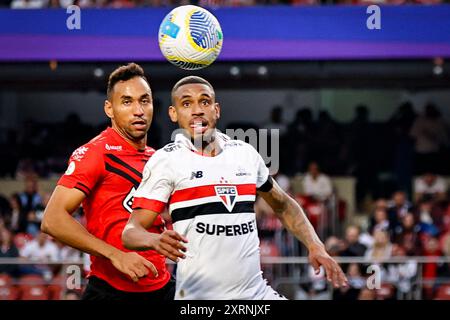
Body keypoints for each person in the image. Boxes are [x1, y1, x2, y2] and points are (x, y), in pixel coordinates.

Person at [122, 76, 348, 300]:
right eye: (187, 103)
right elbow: (131, 232)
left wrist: (315, 245)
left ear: (216, 109)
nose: (197, 110)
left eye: (205, 101)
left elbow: (284, 205)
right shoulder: (166, 160)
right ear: (173, 113)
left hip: (256, 294)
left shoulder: (245, 153)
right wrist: (154, 240)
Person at [41, 63, 177, 300]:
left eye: (145, 101)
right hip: (110, 289)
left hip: (162, 287)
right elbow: (52, 220)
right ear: (109, 108)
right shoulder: (96, 153)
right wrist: (117, 255)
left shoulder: (158, 158)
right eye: (127, 101)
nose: (138, 110)